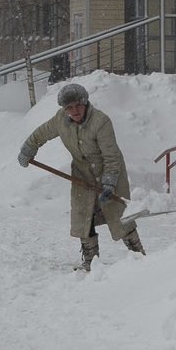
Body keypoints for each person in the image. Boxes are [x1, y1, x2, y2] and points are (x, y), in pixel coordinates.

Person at [18, 83, 144, 270]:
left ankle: (139, 256)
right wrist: (29, 148)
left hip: (110, 170)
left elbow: (111, 155)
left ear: (85, 103)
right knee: (83, 215)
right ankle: (91, 261)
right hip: (82, 174)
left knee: (119, 214)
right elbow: (42, 133)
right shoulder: (61, 120)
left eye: (78, 105)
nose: (74, 110)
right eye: (69, 107)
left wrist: (109, 183)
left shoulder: (100, 121)